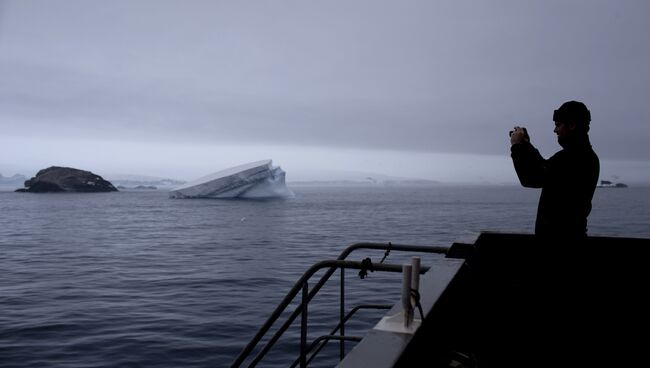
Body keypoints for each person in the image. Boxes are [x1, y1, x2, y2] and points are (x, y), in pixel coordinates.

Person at [510, 100, 600, 239]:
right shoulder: (587, 157)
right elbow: (544, 168)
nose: (555, 130)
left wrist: (516, 147)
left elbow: (531, 178)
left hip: (557, 244)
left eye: (558, 125)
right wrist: (526, 145)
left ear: (572, 125)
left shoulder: (569, 158)